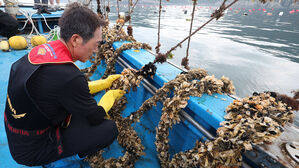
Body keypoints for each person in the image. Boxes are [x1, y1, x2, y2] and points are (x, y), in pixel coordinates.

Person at [4, 2, 125, 166]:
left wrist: (105, 83)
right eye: (96, 43)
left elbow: (66, 91)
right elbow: (96, 116)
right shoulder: (69, 77)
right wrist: (110, 95)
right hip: (32, 150)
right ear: (76, 39)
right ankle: (65, 160)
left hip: (19, 137)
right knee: (109, 129)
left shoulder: (43, 51)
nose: (96, 49)